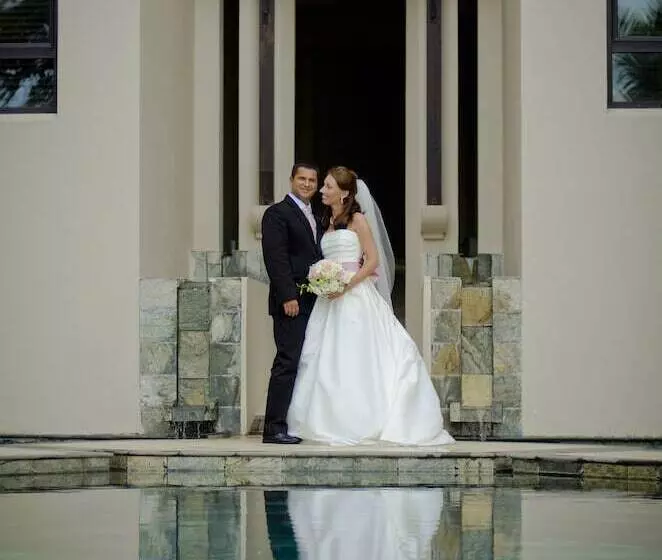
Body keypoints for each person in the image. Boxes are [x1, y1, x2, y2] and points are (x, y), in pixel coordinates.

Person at [287, 166, 455, 446]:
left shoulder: (358, 220)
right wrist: (324, 280)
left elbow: (373, 260)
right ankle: (328, 420)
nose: (322, 191)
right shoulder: (325, 220)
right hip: (328, 300)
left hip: (354, 296)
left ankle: (366, 420)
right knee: (325, 359)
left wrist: (346, 285)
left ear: (344, 193)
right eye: (324, 185)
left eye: (328, 186)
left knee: (356, 357)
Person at [261, 162, 323, 444]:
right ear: (291, 180)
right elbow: (276, 258)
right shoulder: (277, 214)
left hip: (314, 301)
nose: (307, 184)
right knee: (287, 361)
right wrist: (288, 296)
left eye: (312, 180)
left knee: (305, 361)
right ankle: (273, 428)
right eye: (302, 179)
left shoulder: (316, 216)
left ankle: (295, 424)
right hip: (292, 301)